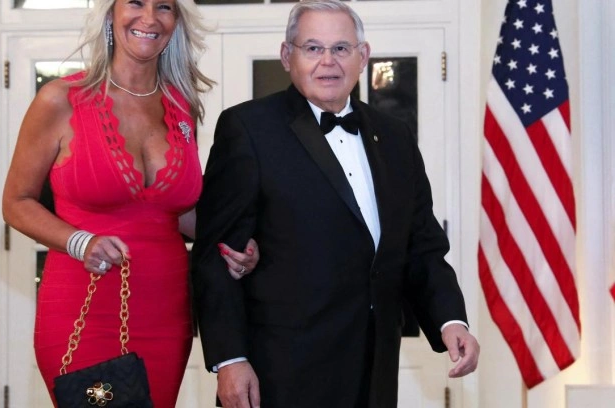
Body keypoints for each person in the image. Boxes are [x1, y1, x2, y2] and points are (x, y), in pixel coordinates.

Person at [191, 1, 480, 407]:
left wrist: (450, 320)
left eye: (341, 48)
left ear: (363, 56)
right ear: (287, 56)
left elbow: (421, 246)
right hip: (280, 374)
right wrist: (230, 359)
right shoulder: (248, 129)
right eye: (312, 48)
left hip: (375, 371)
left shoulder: (395, 136)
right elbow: (215, 255)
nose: (328, 61)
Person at [2, 0, 259, 406]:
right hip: (84, 309)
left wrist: (234, 243)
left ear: (176, 21)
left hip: (166, 313)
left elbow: (174, 212)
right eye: (135, 2)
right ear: (110, 14)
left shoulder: (181, 105)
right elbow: (16, 201)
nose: (149, 17)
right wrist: (80, 241)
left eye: (164, 6)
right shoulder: (60, 99)